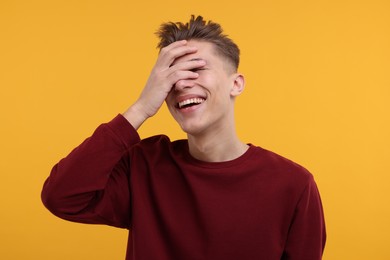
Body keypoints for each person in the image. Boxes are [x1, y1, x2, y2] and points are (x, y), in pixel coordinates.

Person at [41, 15, 326, 260]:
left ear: (236, 84)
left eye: (196, 69)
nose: (181, 83)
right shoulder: (143, 166)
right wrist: (141, 108)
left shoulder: (294, 184)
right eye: (170, 76)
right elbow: (62, 197)